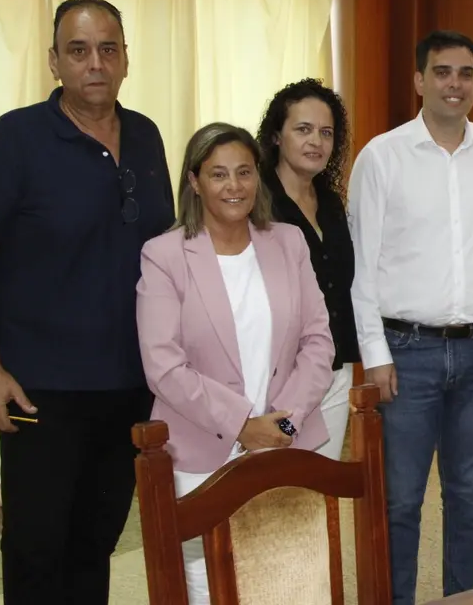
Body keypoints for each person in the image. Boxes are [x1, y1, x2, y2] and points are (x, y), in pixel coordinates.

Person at [0, 0, 174, 604]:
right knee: (36, 550)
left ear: (126, 58)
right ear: (55, 61)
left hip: (129, 387)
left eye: (108, 49)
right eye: (78, 51)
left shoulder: (148, 137)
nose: (95, 64)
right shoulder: (15, 139)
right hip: (38, 392)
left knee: (95, 545)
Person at [348, 29, 473, 603]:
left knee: (467, 494)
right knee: (401, 499)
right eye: (444, 72)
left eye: (466, 73)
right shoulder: (382, 156)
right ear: (419, 80)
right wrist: (375, 355)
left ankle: (463, 597)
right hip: (407, 354)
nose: (456, 84)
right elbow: (363, 268)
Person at [137, 122, 334, 603]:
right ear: (194, 182)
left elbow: (318, 341)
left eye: (244, 172)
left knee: (287, 577)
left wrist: (283, 426)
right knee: (210, 585)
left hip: (287, 444)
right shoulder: (164, 255)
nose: (234, 186)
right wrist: (244, 425)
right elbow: (163, 364)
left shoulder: (288, 242)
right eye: (219, 174)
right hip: (199, 452)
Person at [257, 78, 360, 460]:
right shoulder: (256, 204)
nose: (315, 141)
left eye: (325, 132)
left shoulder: (331, 202)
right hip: (277, 376)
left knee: (317, 492)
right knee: (273, 494)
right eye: (303, 129)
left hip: (333, 371)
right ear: (275, 137)